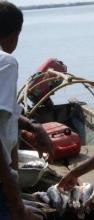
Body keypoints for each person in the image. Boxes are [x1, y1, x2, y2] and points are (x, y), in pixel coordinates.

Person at [0, 2, 53, 220]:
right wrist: (17, 205)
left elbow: (7, 112)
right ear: (16, 34)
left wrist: (32, 125)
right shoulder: (6, 62)